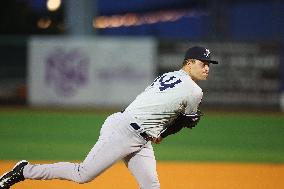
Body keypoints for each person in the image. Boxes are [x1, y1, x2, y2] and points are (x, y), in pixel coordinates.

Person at [0, 46, 218, 189]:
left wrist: (163, 130)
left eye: (209, 64)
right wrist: (167, 131)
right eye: (203, 63)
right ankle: (24, 170)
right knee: (82, 175)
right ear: (189, 63)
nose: (207, 68)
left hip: (138, 136)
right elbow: (186, 121)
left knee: (151, 186)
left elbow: (168, 110)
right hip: (124, 132)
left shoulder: (170, 75)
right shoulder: (194, 91)